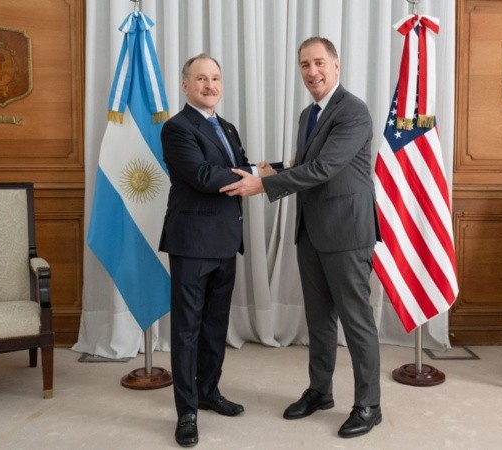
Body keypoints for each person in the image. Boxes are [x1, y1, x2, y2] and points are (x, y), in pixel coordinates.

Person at [220, 37, 382, 438]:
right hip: (310, 231)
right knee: (319, 321)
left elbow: (324, 168)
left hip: (346, 231)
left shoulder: (353, 111)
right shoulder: (307, 115)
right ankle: (320, 391)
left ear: (336, 65)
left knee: (356, 322)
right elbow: (301, 164)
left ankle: (368, 405)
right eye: (305, 66)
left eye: (319, 63)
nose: (312, 72)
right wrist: (265, 171)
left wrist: (264, 187)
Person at [159, 53, 272, 447]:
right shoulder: (176, 128)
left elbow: (238, 167)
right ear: (186, 85)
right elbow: (204, 176)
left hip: (226, 241)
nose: (210, 86)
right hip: (192, 243)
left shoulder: (227, 126)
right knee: (187, 329)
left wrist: (271, 169)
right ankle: (186, 411)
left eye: (216, 79)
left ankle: (208, 392)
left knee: (214, 327)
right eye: (201, 79)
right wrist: (256, 175)